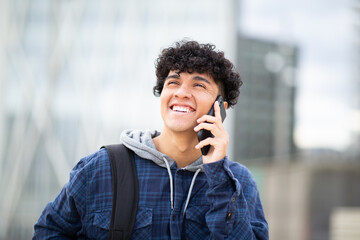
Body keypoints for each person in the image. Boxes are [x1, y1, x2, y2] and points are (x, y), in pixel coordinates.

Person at [33, 40, 269, 239]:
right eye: (173, 82)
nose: (181, 92)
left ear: (220, 108)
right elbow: (49, 232)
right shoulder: (101, 168)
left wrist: (217, 175)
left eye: (199, 85)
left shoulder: (238, 182)